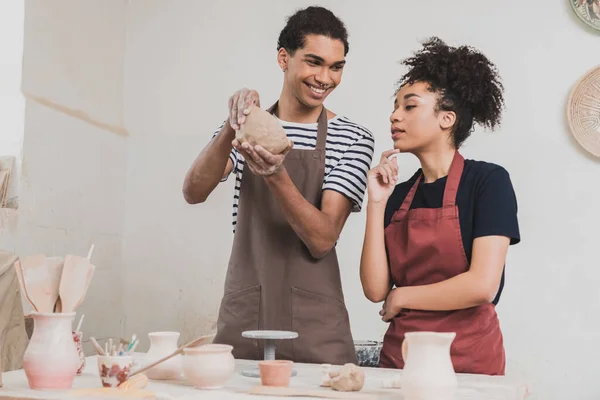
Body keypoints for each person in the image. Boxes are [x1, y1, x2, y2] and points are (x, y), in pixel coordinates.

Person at [183, 6, 374, 365]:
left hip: (315, 325)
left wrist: (276, 175)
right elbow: (193, 191)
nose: (325, 78)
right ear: (283, 58)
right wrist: (232, 125)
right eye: (314, 62)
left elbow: (322, 238)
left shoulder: (352, 137)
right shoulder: (248, 128)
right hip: (247, 313)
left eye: (336, 67)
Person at [360, 37, 520, 375]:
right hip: (401, 359)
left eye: (409, 106)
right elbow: (375, 289)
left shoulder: (487, 183)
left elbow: (481, 285)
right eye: (395, 106)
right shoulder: (399, 195)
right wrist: (376, 203)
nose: (394, 116)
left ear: (446, 119)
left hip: (469, 362)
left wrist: (402, 297)